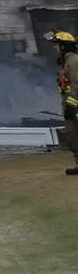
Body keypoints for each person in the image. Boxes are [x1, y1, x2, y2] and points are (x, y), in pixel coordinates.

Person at [52, 30, 78, 176]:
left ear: (63, 46)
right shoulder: (65, 63)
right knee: (73, 137)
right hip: (69, 105)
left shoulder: (74, 61)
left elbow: (77, 84)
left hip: (75, 105)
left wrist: (71, 104)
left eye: (56, 45)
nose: (55, 48)